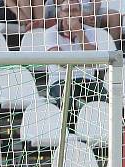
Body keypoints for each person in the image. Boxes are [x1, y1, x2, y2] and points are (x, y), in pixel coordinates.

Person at [44, 0, 107, 130]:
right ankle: (71, 136)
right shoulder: (50, 32)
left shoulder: (90, 31)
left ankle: (102, 134)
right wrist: (86, 62)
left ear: (80, 13)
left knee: (105, 98)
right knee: (68, 100)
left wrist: (79, 32)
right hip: (60, 81)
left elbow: (93, 59)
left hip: (87, 80)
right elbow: (61, 62)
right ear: (60, 13)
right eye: (67, 11)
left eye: (74, 10)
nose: (71, 14)